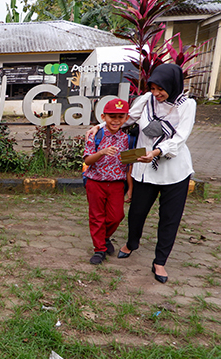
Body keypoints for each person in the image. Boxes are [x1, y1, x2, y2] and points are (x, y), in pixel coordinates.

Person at [89, 63, 196, 282]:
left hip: (174, 169)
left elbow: (180, 137)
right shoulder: (147, 99)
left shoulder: (187, 105)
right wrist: (99, 126)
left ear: (172, 85)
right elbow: (124, 118)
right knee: (136, 212)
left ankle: (160, 261)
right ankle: (131, 243)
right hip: (144, 165)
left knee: (169, 218)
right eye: (153, 88)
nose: (156, 93)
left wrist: (157, 151)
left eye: (160, 89)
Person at [83, 98, 133, 265]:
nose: (116, 120)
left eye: (120, 116)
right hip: (95, 183)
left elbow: (127, 165)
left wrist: (130, 187)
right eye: (112, 116)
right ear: (103, 116)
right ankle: (99, 250)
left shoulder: (126, 139)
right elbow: (88, 161)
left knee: (117, 216)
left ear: (126, 118)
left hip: (117, 184)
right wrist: (102, 152)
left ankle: (104, 237)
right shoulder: (95, 135)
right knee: (97, 216)